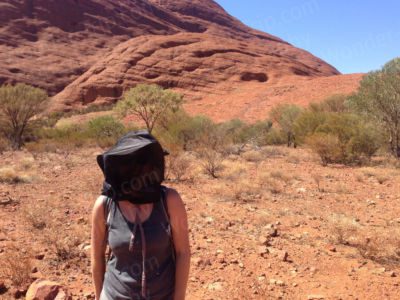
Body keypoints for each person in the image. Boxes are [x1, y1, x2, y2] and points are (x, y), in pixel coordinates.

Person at [91, 130, 190, 300]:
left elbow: (183, 252)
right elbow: (97, 257)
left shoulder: (169, 200)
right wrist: (99, 295)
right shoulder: (105, 205)